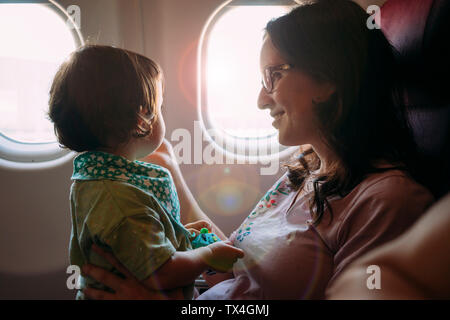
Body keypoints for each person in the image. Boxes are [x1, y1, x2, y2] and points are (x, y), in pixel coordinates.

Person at [81, 0, 434, 299]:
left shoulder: (387, 201)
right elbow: (237, 271)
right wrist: (172, 175)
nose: (261, 100)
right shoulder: (307, 169)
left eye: (273, 76)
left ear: (328, 79)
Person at [48, 45, 244, 300]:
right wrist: (208, 255)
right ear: (142, 118)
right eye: (159, 107)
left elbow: (136, 244)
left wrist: (177, 234)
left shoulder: (97, 177)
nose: (162, 115)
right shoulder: (120, 199)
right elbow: (161, 272)